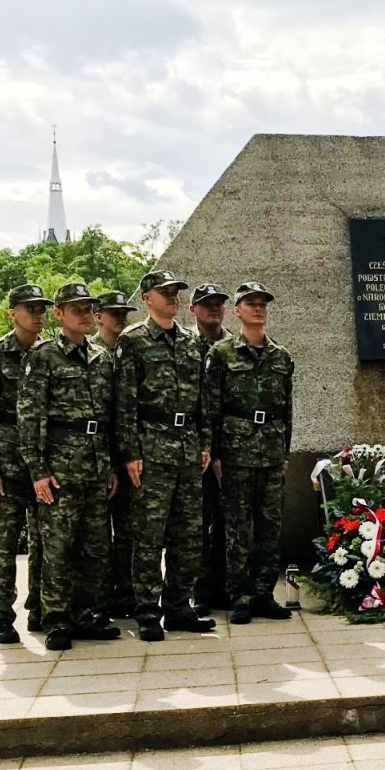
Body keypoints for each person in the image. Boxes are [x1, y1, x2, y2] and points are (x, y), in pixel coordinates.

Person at [17, 283, 122, 651]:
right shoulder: (43, 356)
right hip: (60, 469)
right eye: (76, 309)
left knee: (96, 548)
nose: (84, 314)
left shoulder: (100, 357)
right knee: (58, 548)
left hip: (95, 466)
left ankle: (89, 615)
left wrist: (109, 465)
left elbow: (108, 417)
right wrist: (38, 470)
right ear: (59, 314)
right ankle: (56, 620)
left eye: (88, 308)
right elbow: (30, 418)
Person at [115, 271, 216, 641]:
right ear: (147, 298)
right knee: (148, 535)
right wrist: (130, 452)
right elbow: (124, 402)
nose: (172, 296)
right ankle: (146, 611)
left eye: (175, 292)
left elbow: (204, 399)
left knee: (188, 534)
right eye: (165, 292)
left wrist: (204, 444)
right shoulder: (133, 341)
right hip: (151, 447)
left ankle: (178, 607)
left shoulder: (192, 341)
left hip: (187, 446)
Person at [201, 280, 294, 625]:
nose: (258, 309)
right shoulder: (221, 354)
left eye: (262, 304)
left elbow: (287, 411)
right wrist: (214, 454)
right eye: (251, 303)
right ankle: (239, 595)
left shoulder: (281, 356)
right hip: (235, 452)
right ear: (237, 311)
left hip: (270, 452)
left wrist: (284, 454)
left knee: (270, 527)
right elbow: (211, 407)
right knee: (237, 529)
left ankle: (263, 594)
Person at [0, 284, 50, 644]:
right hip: (8, 465)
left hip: (45, 466)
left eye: (41, 308)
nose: (37, 314)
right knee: (3, 546)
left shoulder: (50, 354)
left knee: (45, 544)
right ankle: (1, 617)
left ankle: (40, 609)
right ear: (12, 313)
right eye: (30, 308)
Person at [188, 283, 232, 615]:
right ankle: (199, 589)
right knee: (197, 523)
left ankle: (223, 587)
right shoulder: (185, 346)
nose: (214, 309)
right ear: (193, 310)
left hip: (232, 446)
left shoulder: (235, 347)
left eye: (218, 303)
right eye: (207, 304)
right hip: (194, 449)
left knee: (227, 522)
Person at [93, 290, 135, 618]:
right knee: (96, 533)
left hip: (129, 454)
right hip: (95, 455)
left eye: (124, 313)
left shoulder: (131, 350)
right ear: (98, 317)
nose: (121, 317)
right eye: (114, 313)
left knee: (128, 530)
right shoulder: (90, 353)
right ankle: (99, 598)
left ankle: (126, 593)